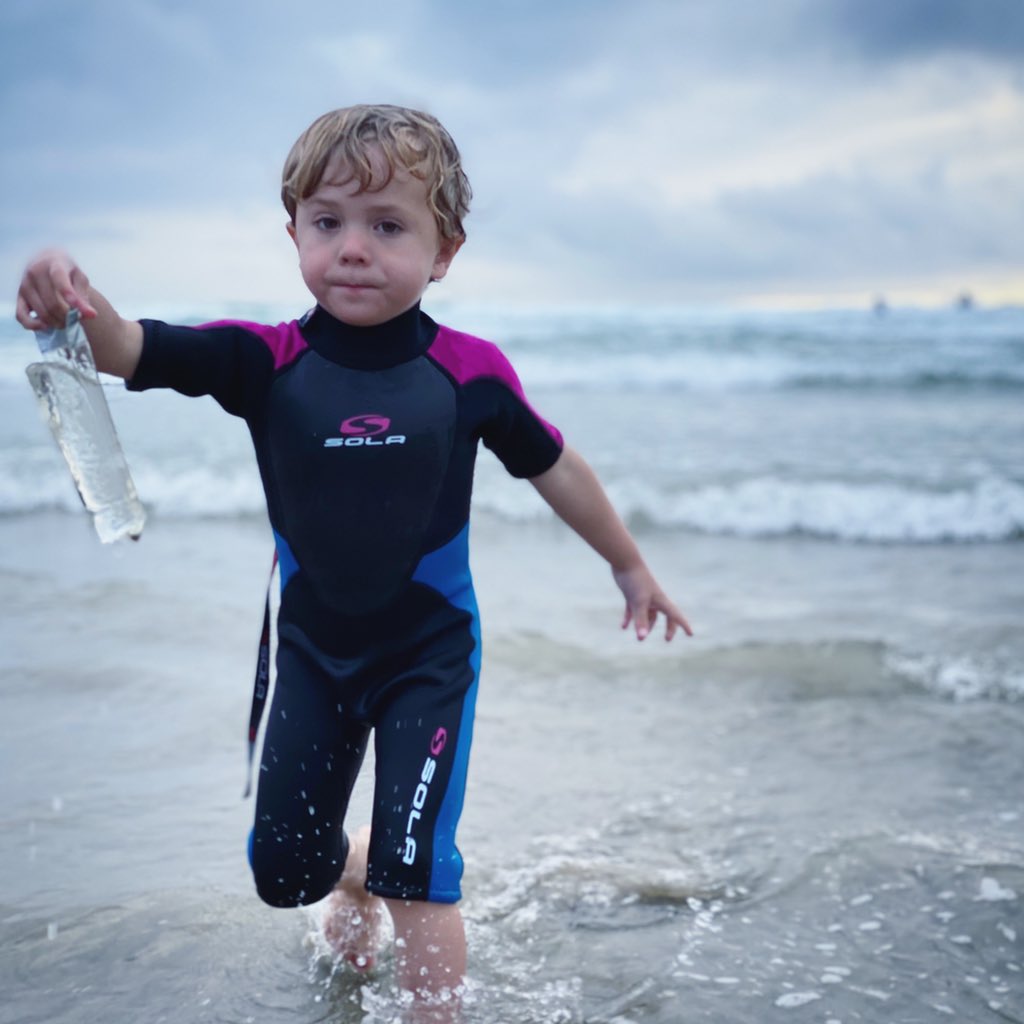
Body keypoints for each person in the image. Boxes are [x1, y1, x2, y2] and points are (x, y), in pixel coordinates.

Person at [16, 104, 691, 1020]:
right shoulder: (265, 361)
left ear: (444, 250)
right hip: (312, 655)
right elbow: (130, 349)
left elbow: (555, 464)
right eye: (328, 222)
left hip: (429, 656)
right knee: (284, 871)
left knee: (423, 879)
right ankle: (363, 865)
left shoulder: (470, 373)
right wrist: (72, 301)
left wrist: (628, 567)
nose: (354, 248)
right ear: (293, 230)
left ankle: (421, 946)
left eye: (387, 225)